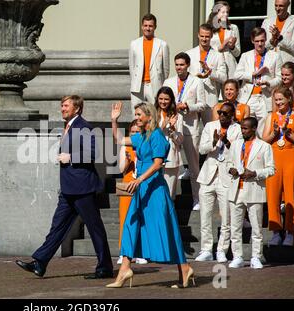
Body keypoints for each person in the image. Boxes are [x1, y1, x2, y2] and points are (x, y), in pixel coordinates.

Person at [16, 95, 113, 279]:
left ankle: (105, 267)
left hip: (83, 188)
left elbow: (94, 153)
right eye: (61, 105)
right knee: (57, 227)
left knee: (95, 228)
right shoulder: (69, 126)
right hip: (68, 189)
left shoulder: (83, 126)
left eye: (66, 106)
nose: (62, 109)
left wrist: (71, 158)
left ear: (77, 109)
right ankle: (40, 262)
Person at [107, 101, 194, 289]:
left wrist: (139, 180)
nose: (136, 118)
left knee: (167, 228)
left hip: (154, 189)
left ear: (149, 116)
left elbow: (157, 164)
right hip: (142, 188)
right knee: (131, 223)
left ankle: (184, 268)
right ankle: (125, 269)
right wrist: (114, 121)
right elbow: (119, 140)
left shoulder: (156, 136)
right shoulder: (143, 136)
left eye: (139, 115)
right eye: (136, 115)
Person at [195, 102, 242, 263]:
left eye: (225, 114)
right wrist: (214, 142)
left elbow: (238, 152)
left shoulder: (238, 129)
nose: (222, 116)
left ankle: (222, 249)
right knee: (205, 215)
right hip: (208, 175)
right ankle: (206, 249)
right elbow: (201, 149)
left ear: (232, 115)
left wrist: (226, 141)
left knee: (226, 217)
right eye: (220, 112)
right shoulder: (210, 126)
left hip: (226, 177)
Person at [227, 117, 275, 269]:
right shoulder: (235, 145)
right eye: (242, 128)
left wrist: (255, 173)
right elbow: (228, 163)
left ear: (254, 128)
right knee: (235, 227)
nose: (243, 131)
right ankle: (237, 256)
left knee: (256, 227)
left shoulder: (264, 146)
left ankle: (256, 256)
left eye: (246, 128)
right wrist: (231, 169)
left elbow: (271, 169)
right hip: (236, 189)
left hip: (254, 189)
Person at [164, 52, 206, 211]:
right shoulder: (168, 81)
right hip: (172, 128)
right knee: (170, 165)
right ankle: (169, 200)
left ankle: (197, 199)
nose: (179, 68)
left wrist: (188, 106)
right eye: (177, 65)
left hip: (189, 126)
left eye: (182, 65)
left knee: (194, 166)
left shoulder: (196, 81)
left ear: (188, 65)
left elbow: (202, 105)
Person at [234, 27, 283, 137]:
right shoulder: (245, 56)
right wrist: (253, 74)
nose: (260, 44)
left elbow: (280, 78)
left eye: (262, 40)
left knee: (263, 132)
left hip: (265, 97)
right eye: (257, 41)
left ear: (266, 40)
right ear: (252, 41)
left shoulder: (275, 56)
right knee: (246, 132)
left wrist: (268, 83)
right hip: (248, 97)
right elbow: (236, 74)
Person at [263, 87, 294, 246]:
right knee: (273, 194)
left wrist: (290, 135)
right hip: (274, 156)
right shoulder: (271, 116)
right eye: (276, 100)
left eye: (281, 100)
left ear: (289, 99)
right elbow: (263, 142)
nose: (278, 103)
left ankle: (290, 231)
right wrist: (274, 134)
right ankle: (276, 230)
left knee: (291, 194)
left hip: (291, 156)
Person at [116, 120, 147, 265]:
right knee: (126, 219)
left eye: (137, 131)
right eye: (132, 132)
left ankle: (140, 252)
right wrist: (128, 162)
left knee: (142, 219)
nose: (134, 134)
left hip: (141, 185)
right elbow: (121, 169)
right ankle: (124, 252)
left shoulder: (145, 145)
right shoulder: (125, 146)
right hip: (128, 185)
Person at [186, 23, 227, 127]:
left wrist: (210, 72)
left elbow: (224, 78)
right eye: (202, 36)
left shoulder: (218, 55)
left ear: (211, 36)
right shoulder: (189, 54)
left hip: (210, 99)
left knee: (211, 129)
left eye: (207, 36)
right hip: (193, 97)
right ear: (198, 35)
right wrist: (196, 76)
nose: (204, 39)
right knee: (192, 132)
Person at [129, 13, 170, 112]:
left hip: (154, 85)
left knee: (155, 114)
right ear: (142, 26)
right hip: (138, 86)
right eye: (145, 25)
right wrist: (136, 80)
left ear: (155, 27)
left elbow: (166, 69)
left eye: (150, 26)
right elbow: (132, 66)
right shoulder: (134, 44)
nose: (148, 28)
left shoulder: (162, 44)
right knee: (137, 114)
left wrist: (160, 82)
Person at [155, 86, 184, 200]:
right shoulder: (152, 114)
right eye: (161, 98)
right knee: (156, 194)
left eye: (166, 99)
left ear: (171, 100)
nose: (163, 102)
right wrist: (163, 126)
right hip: (154, 158)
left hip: (170, 159)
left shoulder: (177, 116)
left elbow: (180, 140)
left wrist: (172, 129)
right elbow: (150, 136)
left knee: (169, 194)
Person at [207, 1, 241, 79]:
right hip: (215, 65)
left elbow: (237, 53)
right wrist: (219, 48)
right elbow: (205, 48)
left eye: (227, 12)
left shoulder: (233, 28)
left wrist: (232, 47)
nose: (226, 14)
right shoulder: (209, 29)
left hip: (230, 66)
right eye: (223, 12)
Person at [261, 0, 294, 64]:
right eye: (276, 5)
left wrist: (280, 37)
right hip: (270, 63)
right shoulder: (267, 22)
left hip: (287, 64)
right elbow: (261, 46)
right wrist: (271, 41)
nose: (277, 8)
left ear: (288, 5)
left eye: (281, 6)